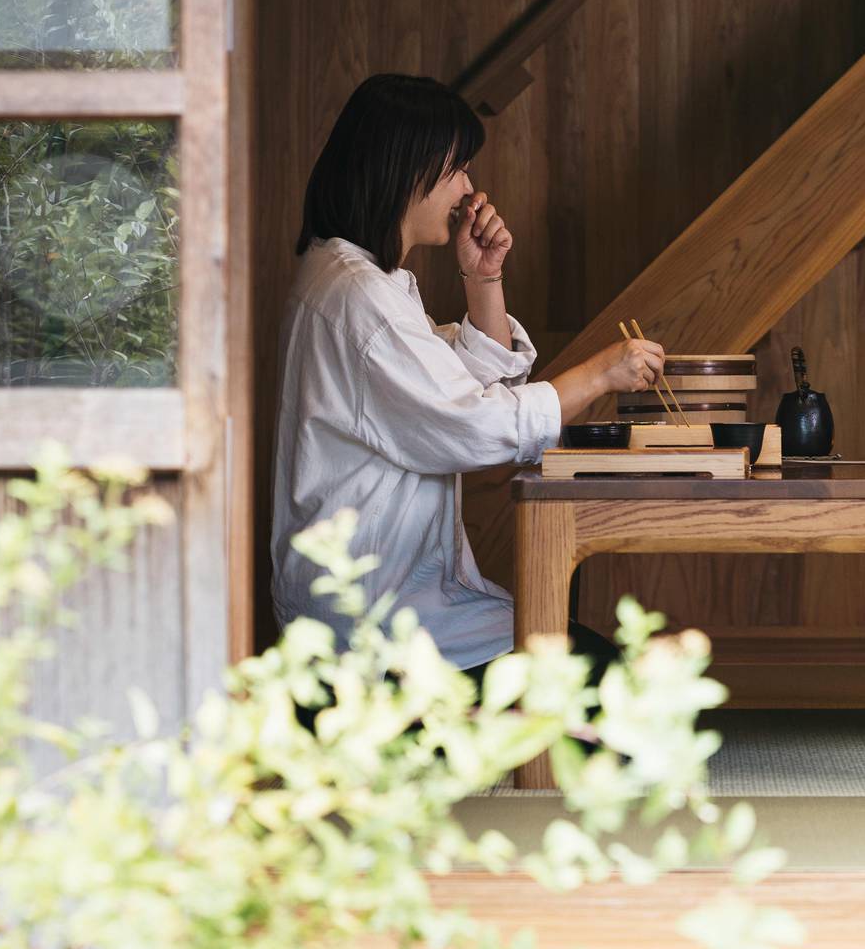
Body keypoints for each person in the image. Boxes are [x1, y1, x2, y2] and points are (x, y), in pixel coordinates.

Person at [271, 73, 667, 676]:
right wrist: (600, 374)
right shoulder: (358, 297)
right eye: (456, 169)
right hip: (377, 621)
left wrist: (484, 279)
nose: (468, 188)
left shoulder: (359, 281)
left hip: (392, 603)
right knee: (614, 686)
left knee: (601, 669)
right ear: (408, 170)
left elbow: (451, 390)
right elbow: (472, 424)